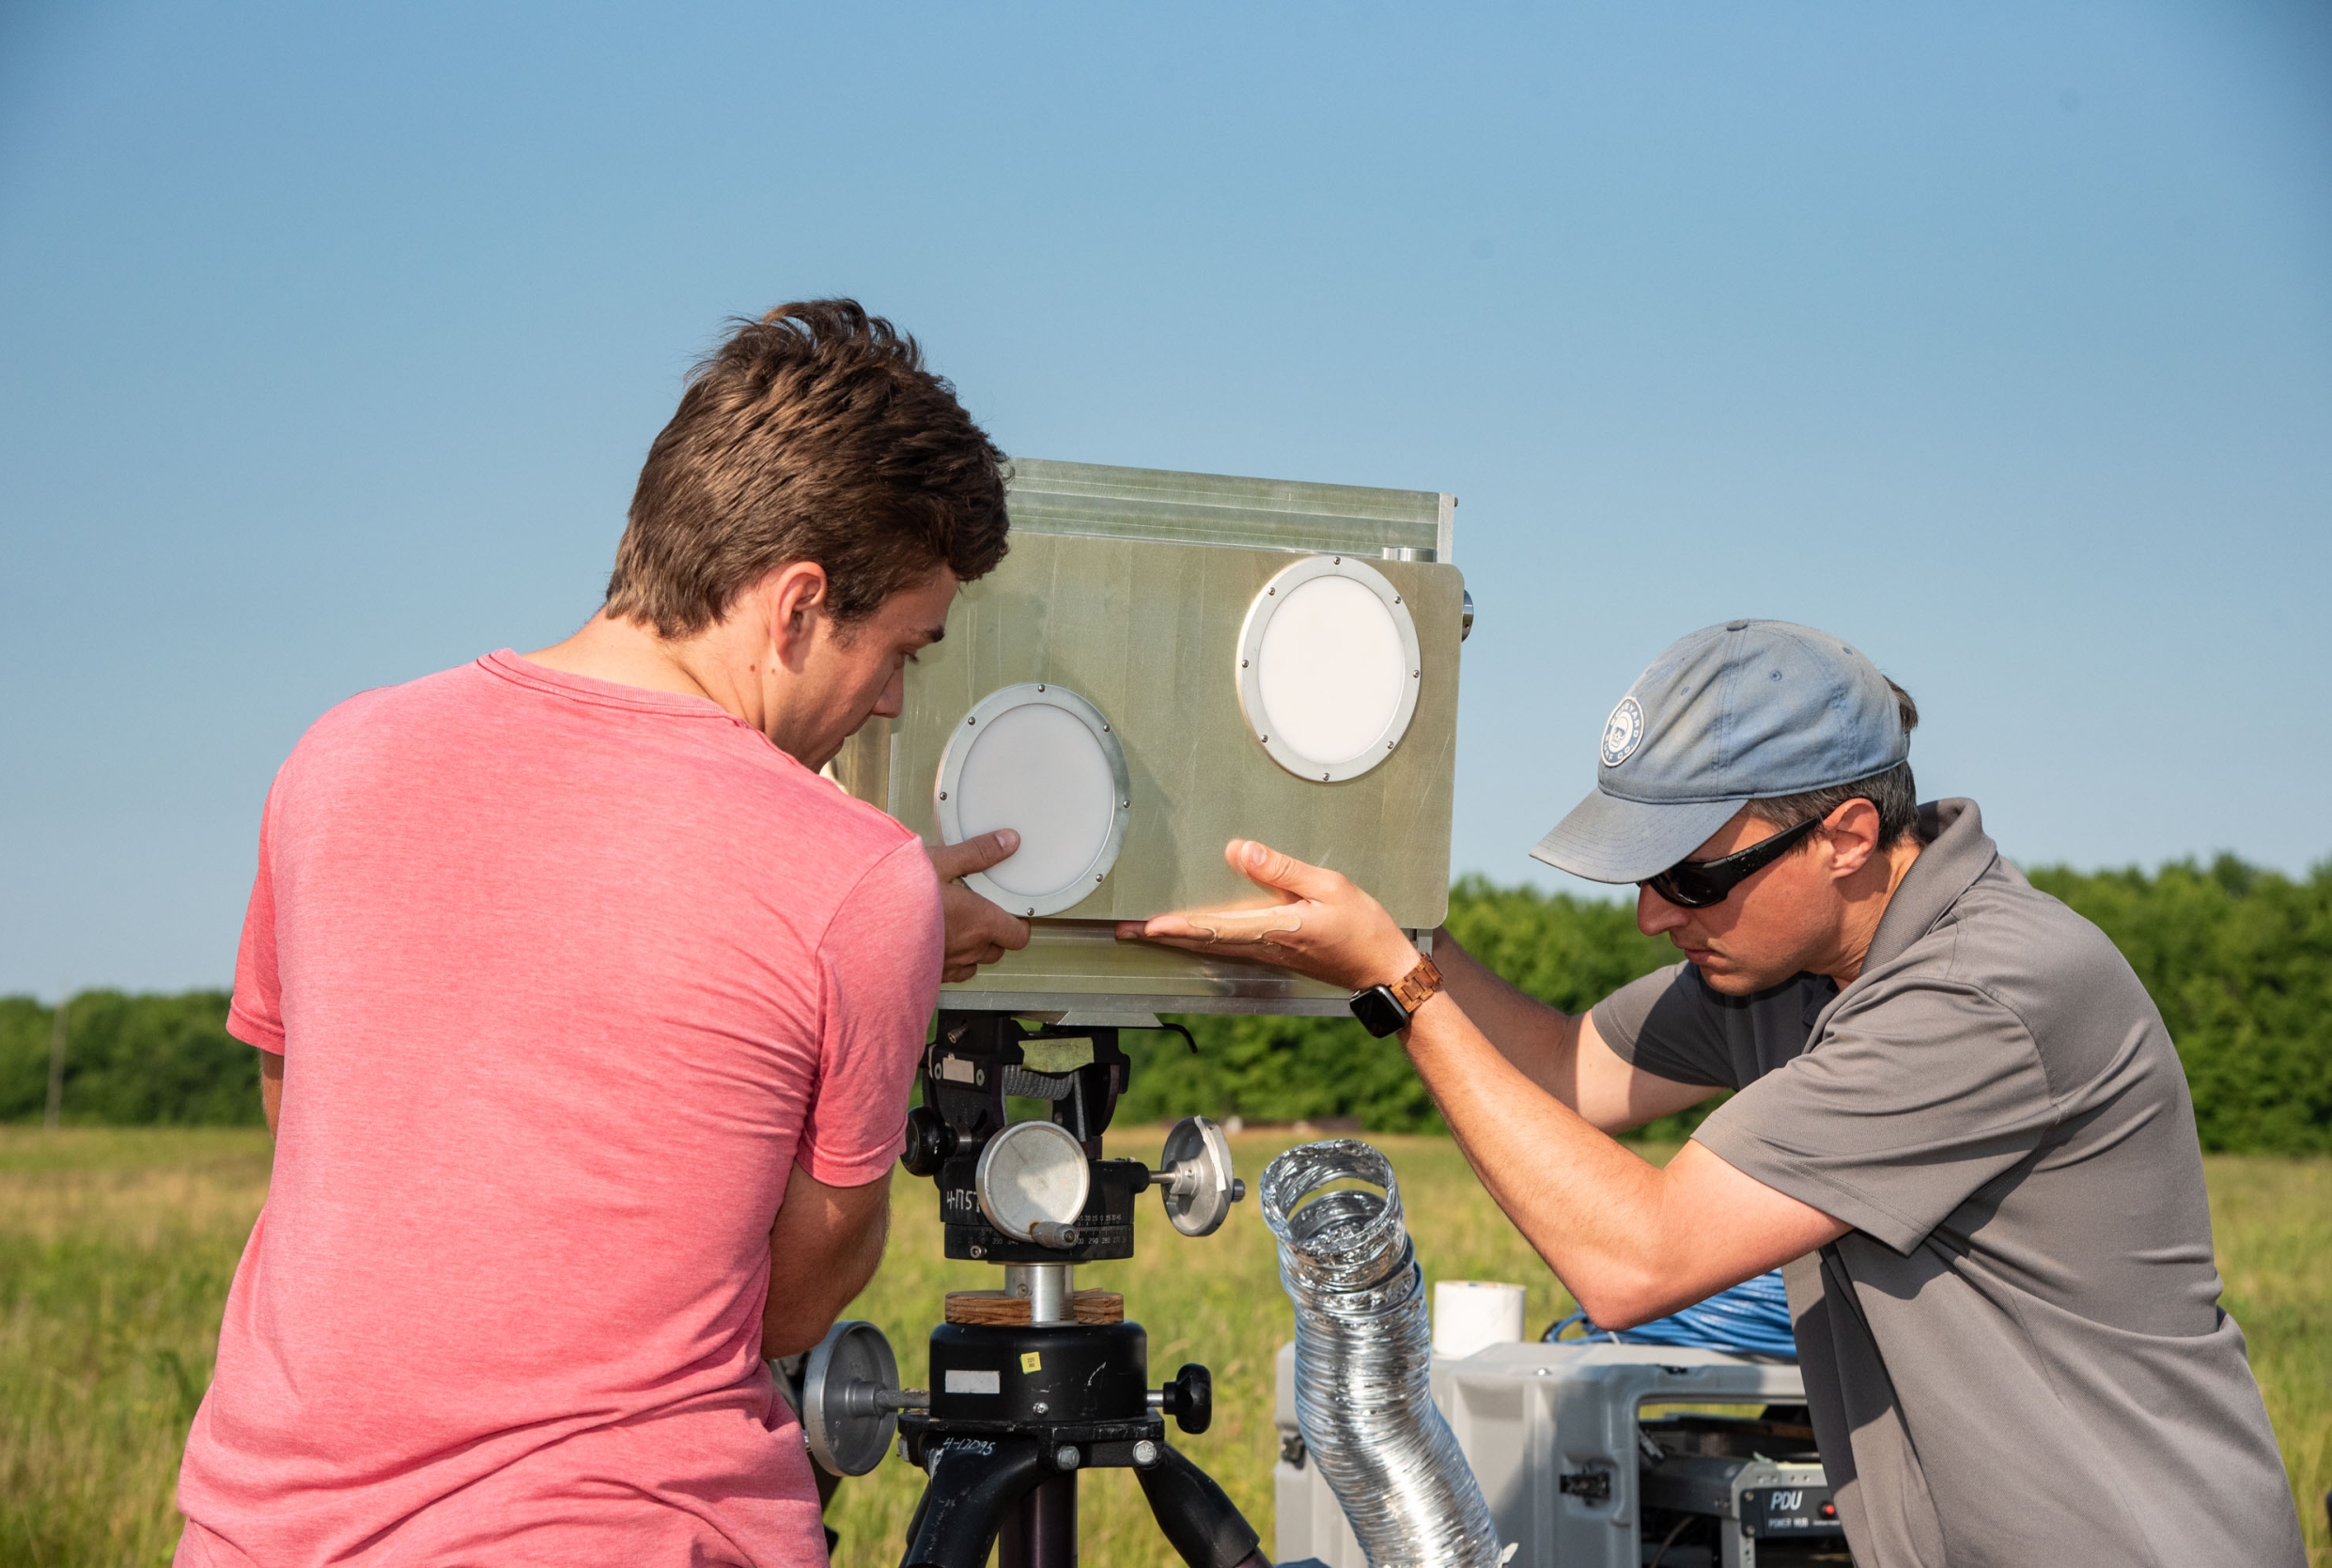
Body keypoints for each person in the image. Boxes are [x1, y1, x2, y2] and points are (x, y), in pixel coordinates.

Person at [1126, 618, 2306, 1567]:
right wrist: (1378, 918)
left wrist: (1395, 983)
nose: (1652, 914)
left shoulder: (1979, 992)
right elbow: (1569, 1070)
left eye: (1691, 873)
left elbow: (1634, 1261)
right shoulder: (1795, 968)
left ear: (1846, 834)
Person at [175, 300, 1032, 1566]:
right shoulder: (859, 880)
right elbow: (796, 1294)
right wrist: (890, 932)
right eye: (902, 648)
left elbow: (306, 1116)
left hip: (261, 1532)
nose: (893, 699)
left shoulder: (337, 760)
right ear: (795, 607)